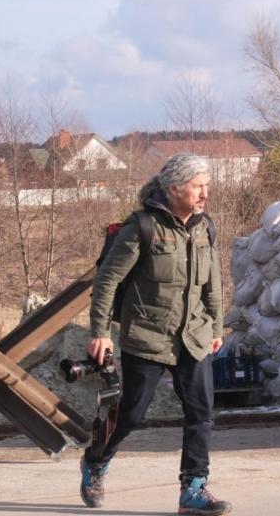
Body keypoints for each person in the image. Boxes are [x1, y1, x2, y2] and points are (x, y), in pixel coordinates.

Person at [79, 153, 229, 515]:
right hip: (146, 337)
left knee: (201, 413)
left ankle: (193, 489)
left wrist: (216, 325)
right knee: (130, 414)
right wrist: (100, 332)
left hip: (193, 336)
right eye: (197, 186)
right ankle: (96, 461)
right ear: (174, 188)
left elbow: (212, 281)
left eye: (206, 185)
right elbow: (107, 281)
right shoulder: (142, 227)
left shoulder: (204, 226)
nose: (204, 193)